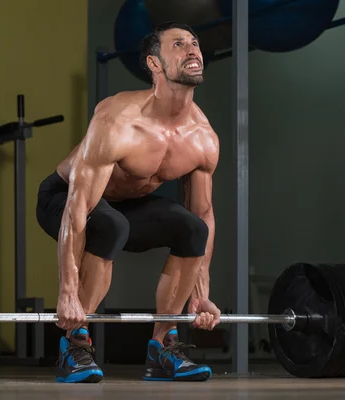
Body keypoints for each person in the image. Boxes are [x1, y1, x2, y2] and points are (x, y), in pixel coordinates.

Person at [36, 21, 221, 384]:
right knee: (109, 225)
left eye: (195, 44)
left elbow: (203, 214)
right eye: (179, 45)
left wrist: (202, 294)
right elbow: (77, 210)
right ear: (154, 64)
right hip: (65, 198)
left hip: (128, 204)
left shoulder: (203, 139)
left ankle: (162, 344)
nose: (193, 50)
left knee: (192, 227)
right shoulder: (118, 120)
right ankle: (75, 343)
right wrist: (67, 293)